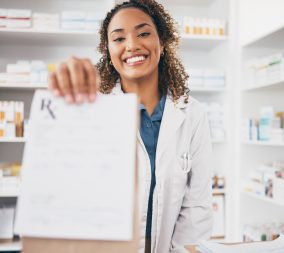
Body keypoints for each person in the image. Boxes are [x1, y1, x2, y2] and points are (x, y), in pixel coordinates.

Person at [48, 0, 213, 252]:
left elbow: (196, 211)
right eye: (118, 38)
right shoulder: (92, 111)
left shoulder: (193, 115)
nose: (132, 45)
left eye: (144, 33)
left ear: (163, 42)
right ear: (108, 51)